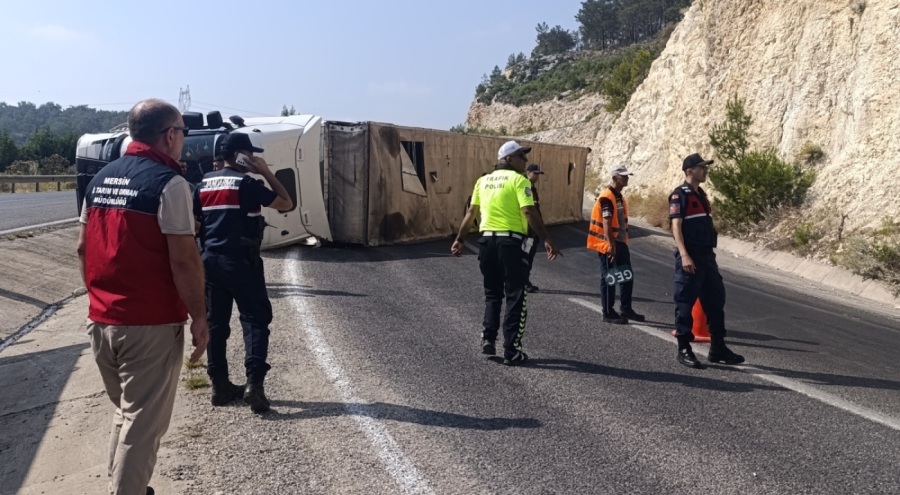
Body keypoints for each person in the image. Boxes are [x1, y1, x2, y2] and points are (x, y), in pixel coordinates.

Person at [76, 98, 209, 495]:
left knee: (126, 413)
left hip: (101, 321)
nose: (183, 141)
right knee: (143, 428)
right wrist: (200, 317)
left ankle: (127, 486)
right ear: (170, 135)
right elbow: (185, 261)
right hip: (149, 324)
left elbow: (83, 248)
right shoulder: (170, 184)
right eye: (183, 133)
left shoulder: (100, 180)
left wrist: (98, 299)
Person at [198, 132, 293, 412]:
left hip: (210, 262)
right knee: (254, 320)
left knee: (216, 324)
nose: (253, 158)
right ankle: (255, 385)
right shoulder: (247, 184)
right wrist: (265, 172)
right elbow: (286, 203)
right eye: (250, 154)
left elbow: (195, 223)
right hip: (242, 262)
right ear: (241, 155)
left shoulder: (202, 184)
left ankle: (219, 386)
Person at [451, 140, 561, 365]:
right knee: (516, 295)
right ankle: (512, 350)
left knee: (492, 293)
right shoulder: (520, 181)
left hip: (486, 242)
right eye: (522, 156)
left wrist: (460, 239)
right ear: (509, 159)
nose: (526, 160)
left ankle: (488, 338)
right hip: (510, 243)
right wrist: (548, 239)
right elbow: (529, 211)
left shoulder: (483, 180)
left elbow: (471, 212)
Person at [669, 153, 745, 369]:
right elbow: (676, 227)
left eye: (705, 167)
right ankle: (684, 348)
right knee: (685, 302)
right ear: (689, 171)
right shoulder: (679, 195)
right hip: (690, 255)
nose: (705, 171)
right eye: (701, 168)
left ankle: (718, 348)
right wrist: (684, 254)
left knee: (715, 299)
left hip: (706, 256)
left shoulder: (700, 194)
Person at [587, 164, 645, 324]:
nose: (627, 178)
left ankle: (626, 309)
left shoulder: (618, 196)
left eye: (627, 176)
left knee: (626, 276)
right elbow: (606, 221)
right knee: (609, 278)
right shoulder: (607, 197)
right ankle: (608, 312)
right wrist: (611, 245)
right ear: (615, 178)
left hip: (619, 243)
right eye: (624, 176)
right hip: (609, 244)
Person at [524, 163, 544, 293]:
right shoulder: (526, 187)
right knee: (526, 256)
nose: (537, 176)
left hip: (532, 229)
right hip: (528, 230)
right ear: (528, 173)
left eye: (538, 174)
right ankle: (524, 282)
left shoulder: (532, 188)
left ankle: (524, 280)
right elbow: (529, 210)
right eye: (535, 173)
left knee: (529, 256)